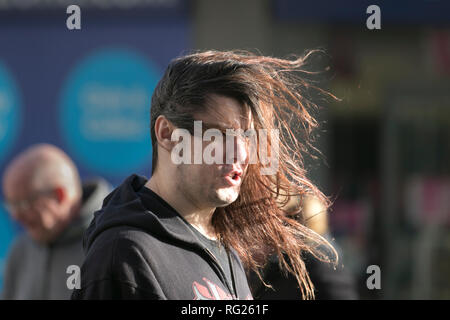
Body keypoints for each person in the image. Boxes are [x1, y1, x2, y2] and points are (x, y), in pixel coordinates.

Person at [72, 50, 338, 300]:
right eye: (221, 135)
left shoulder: (228, 248)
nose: (241, 154)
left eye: (246, 137)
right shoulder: (123, 254)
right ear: (167, 134)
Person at [1, 143, 111, 299]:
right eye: (11, 206)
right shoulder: (20, 250)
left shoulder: (112, 244)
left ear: (60, 196)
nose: (16, 216)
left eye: (24, 204)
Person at [248, 194, 358, 299]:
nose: (290, 226)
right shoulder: (282, 261)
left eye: (294, 219)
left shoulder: (320, 262)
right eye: (289, 220)